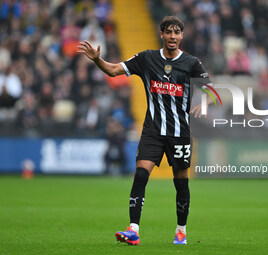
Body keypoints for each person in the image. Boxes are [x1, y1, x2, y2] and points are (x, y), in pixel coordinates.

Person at [77, 16, 211, 245]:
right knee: (140, 174)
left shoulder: (191, 62)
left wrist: (206, 102)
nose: (172, 36)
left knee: (181, 181)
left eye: (177, 32)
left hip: (180, 133)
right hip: (153, 131)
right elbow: (112, 70)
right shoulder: (146, 58)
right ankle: (133, 230)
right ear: (162, 34)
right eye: (168, 32)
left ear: (181, 36)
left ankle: (181, 231)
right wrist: (97, 60)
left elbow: (209, 87)